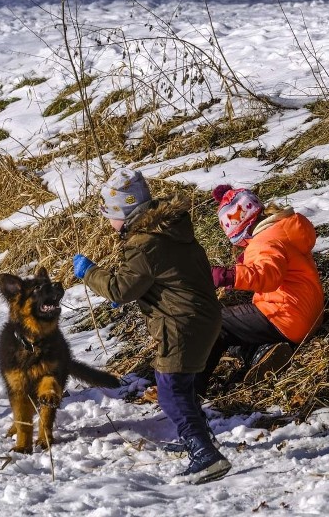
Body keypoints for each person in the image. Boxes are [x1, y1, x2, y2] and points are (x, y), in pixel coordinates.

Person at [72, 168, 231, 485]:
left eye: (111, 216)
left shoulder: (144, 244)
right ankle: (199, 439)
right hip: (203, 316)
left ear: (125, 213)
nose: (110, 223)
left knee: (171, 391)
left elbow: (119, 289)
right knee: (179, 385)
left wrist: (90, 272)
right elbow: (165, 277)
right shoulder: (170, 231)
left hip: (181, 323)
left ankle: (205, 454)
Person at [195, 184, 324, 396]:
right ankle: (262, 354)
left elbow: (267, 276)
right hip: (307, 314)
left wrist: (230, 276)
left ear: (242, 230)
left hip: (286, 317)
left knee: (216, 323)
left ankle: (190, 389)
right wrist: (246, 263)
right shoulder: (282, 229)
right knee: (237, 330)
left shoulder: (264, 242)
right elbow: (276, 263)